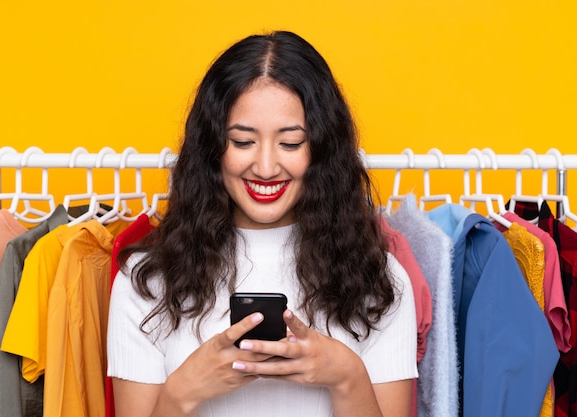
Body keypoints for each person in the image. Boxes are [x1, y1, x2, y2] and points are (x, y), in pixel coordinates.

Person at [107, 30, 417, 417]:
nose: (267, 168)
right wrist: (182, 391)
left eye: (290, 143)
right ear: (212, 149)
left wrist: (347, 376)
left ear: (321, 150)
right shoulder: (147, 281)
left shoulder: (379, 280)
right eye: (242, 142)